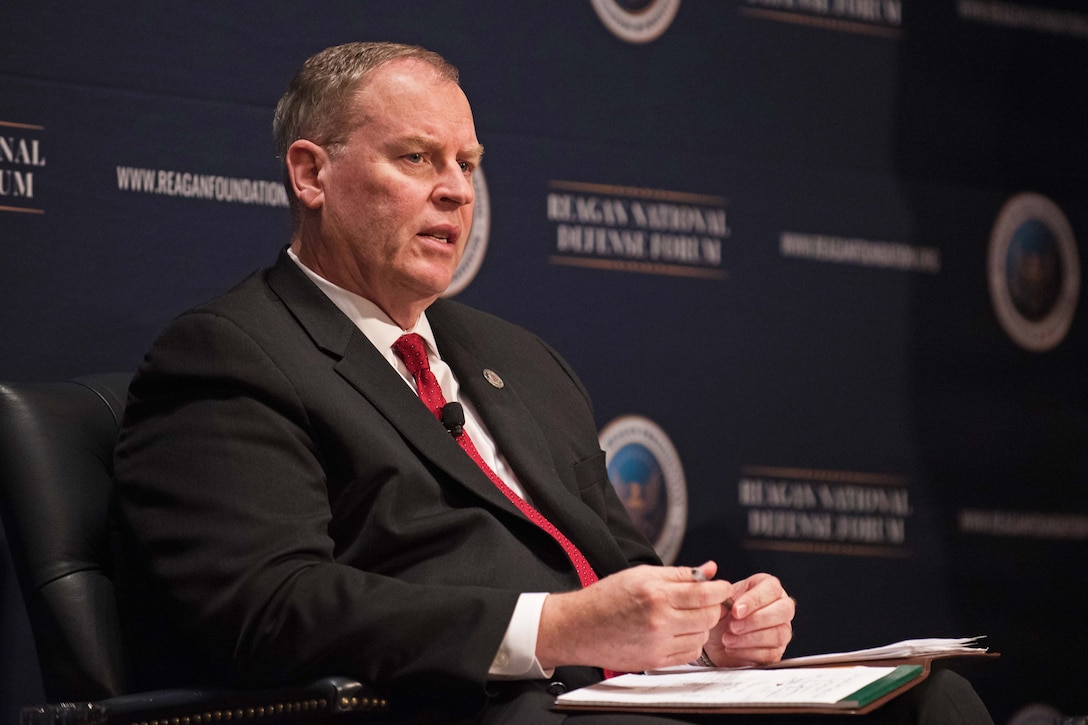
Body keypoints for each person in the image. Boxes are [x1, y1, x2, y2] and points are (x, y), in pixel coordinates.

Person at [111, 42, 991, 724]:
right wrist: (559, 629)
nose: (457, 192)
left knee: (928, 701)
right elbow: (273, 607)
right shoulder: (232, 352)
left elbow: (620, 565)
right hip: (469, 702)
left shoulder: (517, 357)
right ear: (311, 173)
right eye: (418, 159)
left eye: (468, 163)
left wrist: (707, 627)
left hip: (626, 695)